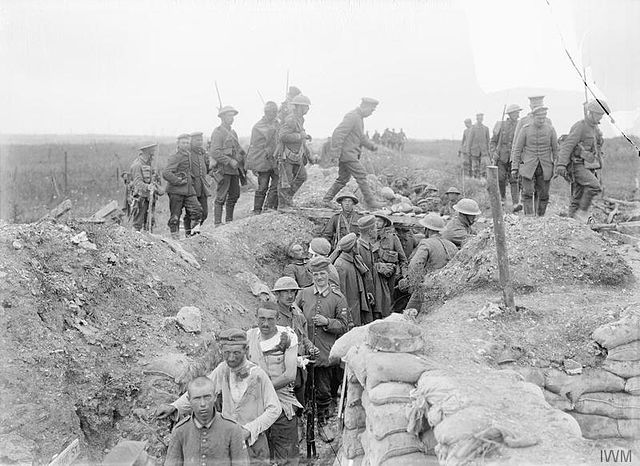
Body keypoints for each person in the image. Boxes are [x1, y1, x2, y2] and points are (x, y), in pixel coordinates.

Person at [156, 329, 281, 465]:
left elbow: (274, 409)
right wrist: (174, 406)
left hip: (254, 445)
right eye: (227, 353)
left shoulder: (258, 375)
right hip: (227, 441)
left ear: (246, 349)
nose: (231, 358)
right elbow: (200, 392)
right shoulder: (223, 369)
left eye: (236, 353)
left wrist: (250, 430)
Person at [295, 257, 349, 443]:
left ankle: (323, 422)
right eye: (316, 274)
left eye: (322, 274)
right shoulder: (303, 294)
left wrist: (327, 323)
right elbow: (295, 318)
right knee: (300, 389)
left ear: (328, 274)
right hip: (304, 354)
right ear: (312, 275)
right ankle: (302, 423)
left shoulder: (338, 298)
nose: (319, 277)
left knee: (324, 391)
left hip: (325, 353)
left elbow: (344, 326)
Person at [247, 304, 302, 465]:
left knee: (286, 455)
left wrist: (264, 390)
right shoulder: (249, 337)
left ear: (277, 319)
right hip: (255, 405)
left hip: (281, 403)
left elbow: (289, 374)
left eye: (270, 319)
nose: (265, 323)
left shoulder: (287, 336)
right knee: (260, 455)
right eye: (261, 319)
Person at [164, 376, 249, 466]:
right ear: (189, 400)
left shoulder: (232, 429)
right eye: (197, 398)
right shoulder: (180, 431)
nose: (203, 404)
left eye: (207, 397)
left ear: (215, 397)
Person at [322, 98, 383, 209]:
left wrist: (371, 146)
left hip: (349, 154)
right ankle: (371, 202)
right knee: (361, 175)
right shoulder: (353, 116)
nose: (371, 113)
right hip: (347, 154)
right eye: (371, 110)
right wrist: (335, 154)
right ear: (365, 106)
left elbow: (360, 136)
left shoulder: (359, 118)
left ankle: (326, 200)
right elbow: (338, 133)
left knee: (343, 179)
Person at [556, 100, 609, 222]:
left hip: (589, 166)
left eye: (601, 115)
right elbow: (567, 145)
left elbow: (597, 148)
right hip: (576, 164)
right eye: (598, 114)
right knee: (594, 186)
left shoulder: (595, 129)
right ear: (591, 113)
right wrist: (561, 164)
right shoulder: (580, 126)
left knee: (577, 196)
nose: (600, 117)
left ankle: (573, 223)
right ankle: (582, 213)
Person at [402, 214, 458, 311]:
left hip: (428, 287)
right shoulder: (452, 245)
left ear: (427, 230)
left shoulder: (426, 243)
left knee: (409, 314)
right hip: (448, 287)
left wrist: (410, 283)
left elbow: (414, 266)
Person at [512, 106, 558, 217]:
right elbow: (517, 149)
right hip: (528, 166)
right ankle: (529, 218)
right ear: (533, 117)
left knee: (544, 194)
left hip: (545, 166)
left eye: (543, 118)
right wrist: (514, 167)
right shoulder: (525, 129)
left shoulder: (550, 129)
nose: (541, 120)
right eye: (539, 118)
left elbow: (556, 150)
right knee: (527, 192)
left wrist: (556, 167)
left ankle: (540, 216)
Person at [276, 95, 314, 209]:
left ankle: (287, 199)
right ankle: (282, 205)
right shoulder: (291, 119)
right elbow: (282, 136)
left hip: (296, 155)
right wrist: (299, 135)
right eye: (306, 107)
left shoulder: (300, 119)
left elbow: (300, 136)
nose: (308, 109)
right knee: (286, 181)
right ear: (299, 107)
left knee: (302, 176)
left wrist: (305, 137)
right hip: (286, 155)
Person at [210, 105, 246, 226]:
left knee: (235, 194)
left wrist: (242, 156)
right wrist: (229, 161)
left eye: (232, 116)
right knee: (221, 196)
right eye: (228, 116)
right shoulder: (218, 132)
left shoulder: (233, 132)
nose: (231, 118)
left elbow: (237, 148)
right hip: (224, 169)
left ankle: (229, 220)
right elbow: (215, 152)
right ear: (222, 117)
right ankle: (217, 222)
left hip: (234, 170)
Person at [163, 134, 203, 239]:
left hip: (189, 190)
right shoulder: (175, 156)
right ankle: (175, 240)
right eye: (183, 143)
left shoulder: (188, 154)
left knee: (197, 211)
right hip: (176, 191)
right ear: (178, 144)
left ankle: (193, 237)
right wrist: (178, 181)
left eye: (187, 143)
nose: (186, 145)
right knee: (175, 217)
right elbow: (166, 173)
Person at [247, 102, 280, 214]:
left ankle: (269, 208)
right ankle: (257, 210)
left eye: (275, 112)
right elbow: (255, 146)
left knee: (276, 186)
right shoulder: (258, 126)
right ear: (266, 113)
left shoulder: (278, 124)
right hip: (263, 160)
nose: (273, 115)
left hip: (276, 160)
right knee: (262, 187)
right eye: (271, 112)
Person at [334, 232, 372, 326]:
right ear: (353, 247)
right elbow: (341, 294)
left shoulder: (356, 260)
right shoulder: (341, 265)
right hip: (350, 312)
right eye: (357, 244)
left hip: (358, 307)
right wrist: (347, 317)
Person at [491, 104, 522, 211]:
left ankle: (515, 203)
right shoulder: (501, 124)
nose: (518, 114)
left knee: (514, 179)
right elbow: (493, 141)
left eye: (518, 112)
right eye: (516, 112)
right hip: (501, 156)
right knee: (501, 178)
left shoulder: (520, 125)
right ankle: (502, 199)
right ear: (510, 114)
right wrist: (494, 152)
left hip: (514, 157)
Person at [374, 213, 407, 308]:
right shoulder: (370, 238)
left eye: (379, 221)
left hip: (390, 276)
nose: (376, 223)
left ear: (385, 223)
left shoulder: (392, 238)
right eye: (375, 221)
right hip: (374, 274)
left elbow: (403, 259)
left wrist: (404, 276)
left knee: (388, 301)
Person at [355, 215, 385, 320]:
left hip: (370, 292)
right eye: (375, 228)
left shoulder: (367, 245)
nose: (377, 231)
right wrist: (367, 292)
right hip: (363, 295)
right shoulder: (358, 248)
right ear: (370, 232)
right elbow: (360, 274)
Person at [129, 143, 164, 232]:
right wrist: (148, 186)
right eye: (152, 152)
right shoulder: (137, 165)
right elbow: (137, 183)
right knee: (137, 223)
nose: (153, 154)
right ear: (146, 152)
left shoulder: (151, 165)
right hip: (140, 199)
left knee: (149, 222)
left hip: (150, 198)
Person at [183, 132, 211, 235]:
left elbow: (207, 168)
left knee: (204, 213)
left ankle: (194, 230)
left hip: (202, 187)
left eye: (201, 140)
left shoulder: (202, 153)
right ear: (191, 141)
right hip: (192, 187)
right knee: (191, 213)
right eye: (197, 140)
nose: (199, 142)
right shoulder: (188, 153)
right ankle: (190, 233)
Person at [464, 113, 491, 178]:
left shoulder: (486, 128)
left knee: (483, 167)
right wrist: (468, 150)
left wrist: (488, 151)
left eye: (481, 118)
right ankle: (475, 179)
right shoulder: (473, 128)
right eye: (479, 118)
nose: (480, 119)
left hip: (483, 151)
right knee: (475, 167)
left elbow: (488, 141)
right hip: (474, 151)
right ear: (477, 119)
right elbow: (469, 140)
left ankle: (482, 179)